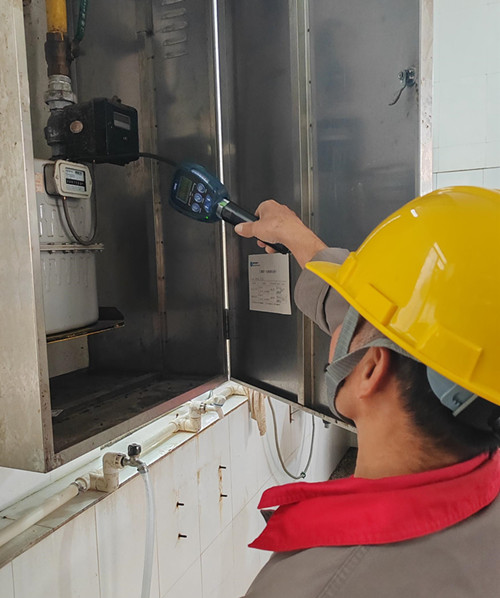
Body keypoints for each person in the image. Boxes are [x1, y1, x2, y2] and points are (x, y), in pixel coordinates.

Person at [234, 187, 500, 598]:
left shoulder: (314, 586)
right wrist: (294, 234)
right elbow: (392, 327)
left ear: (372, 369)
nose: (339, 320)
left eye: (357, 315)